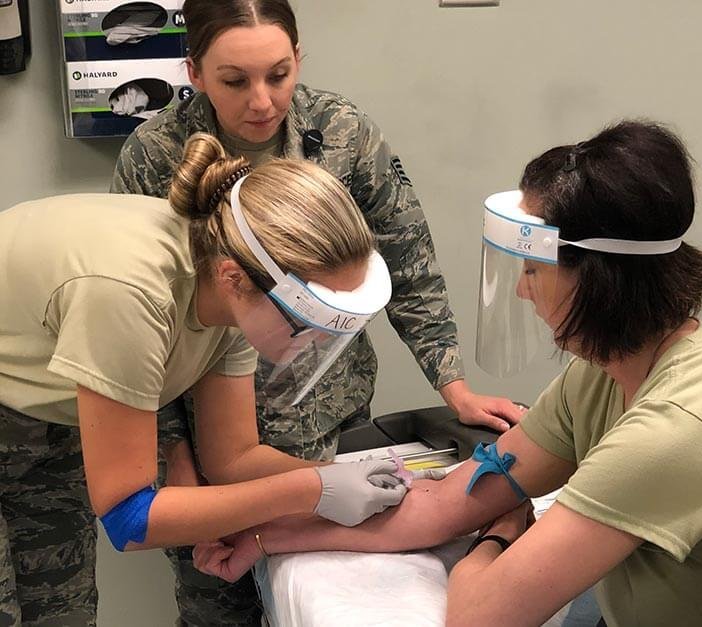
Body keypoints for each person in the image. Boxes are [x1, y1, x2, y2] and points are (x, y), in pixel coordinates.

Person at [193, 120, 702, 627]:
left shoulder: (678, 428)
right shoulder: (607, 375)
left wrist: (503, 528)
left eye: (533, 271)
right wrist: (267, 536)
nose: (524, 294)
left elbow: (480, 615)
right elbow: (446, 504)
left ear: (601, 280)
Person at [111, 1, 523, 622]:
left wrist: (453, 384)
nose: (261, 101)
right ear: (193, 71)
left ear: (299, 59)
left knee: (336, 578)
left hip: (329, 414)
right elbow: (143, 328)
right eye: (234, 81)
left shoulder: (343, 133)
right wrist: (178, 465)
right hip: (205, 428)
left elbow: (408, 261)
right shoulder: (154, 154)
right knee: (219, 600)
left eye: (278, 75)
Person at [0, 132, 415, 627]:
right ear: (233, 278)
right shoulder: (130, 294)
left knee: (57, 611)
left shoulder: (234, 287)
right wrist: (311, 488)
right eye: (306, 324)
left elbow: (233, 459)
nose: (308, 343)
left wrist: (338, 478)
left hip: (38, 416)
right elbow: (129, 519)